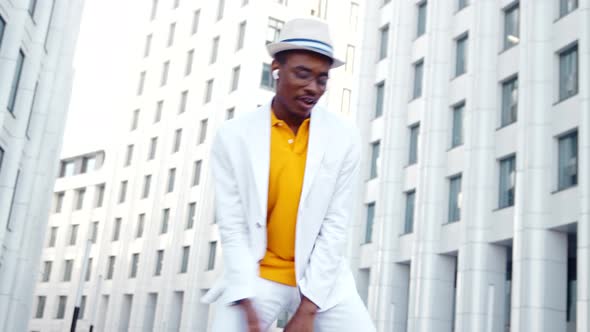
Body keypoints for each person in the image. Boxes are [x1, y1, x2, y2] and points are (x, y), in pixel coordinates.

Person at [203, 18, 375, 332]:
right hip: (258, 276)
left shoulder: (344, 137)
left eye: (322, 79)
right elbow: (233, 225)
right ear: (276, 69)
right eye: (302, 74)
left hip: (323, 277)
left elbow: (335, 224)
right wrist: (248, 307)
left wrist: (308, 309)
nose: (313, 87)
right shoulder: (233, 136)